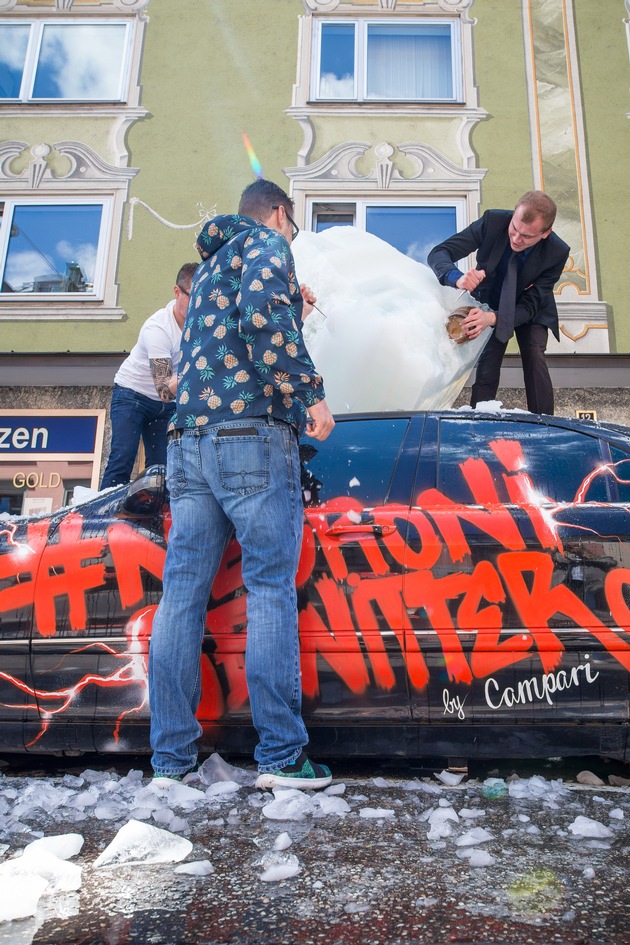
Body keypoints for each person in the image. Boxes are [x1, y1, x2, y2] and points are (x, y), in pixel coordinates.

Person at [148, 179, 335, 790]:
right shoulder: (268, 247)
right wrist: (311, 394)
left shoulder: (209, 268)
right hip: (248, 439)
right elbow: (262, 326)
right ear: (279, 214)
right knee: (270, 590)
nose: (291, 238)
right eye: (293, 227)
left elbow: (237, 335)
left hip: (189, 442)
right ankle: (282, 757)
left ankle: (171, 763)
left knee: (182, 598)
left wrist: (293, 317)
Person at [427, 191, 569, 415]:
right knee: (488, 359)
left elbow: (532, 305)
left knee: (533, 351)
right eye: (514, 229)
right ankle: (479, 417)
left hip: (530, 307)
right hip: (491, 299)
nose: (516, 239)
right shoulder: (492, 222)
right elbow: (439, 253)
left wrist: (493, 318)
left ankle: (545, 422)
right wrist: (458, 278)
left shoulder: (557, 252)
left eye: (527, 237)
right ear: (513, 215)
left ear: (545, 233)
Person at [100, 263, 197, 489]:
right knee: (123, 457)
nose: (198, 305)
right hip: (132, 395)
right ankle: (104, 519)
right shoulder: (158, 328)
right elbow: (164, 390)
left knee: (163, 466)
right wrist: (194, 367)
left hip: (166, 405)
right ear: (177, 292)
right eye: (193, 297)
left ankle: (154, 518)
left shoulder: (200, 326)